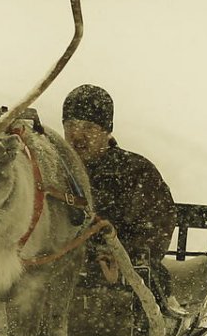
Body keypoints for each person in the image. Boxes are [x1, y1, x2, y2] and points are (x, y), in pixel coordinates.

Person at [60, 84, 176, 298]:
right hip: (64, 272)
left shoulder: (137, 172)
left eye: (88, 127)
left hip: (125, 280)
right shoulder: (56, 171)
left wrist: (123, 258)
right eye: (71, 125)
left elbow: (155, 230)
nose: (77, 135)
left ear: (107, 130)